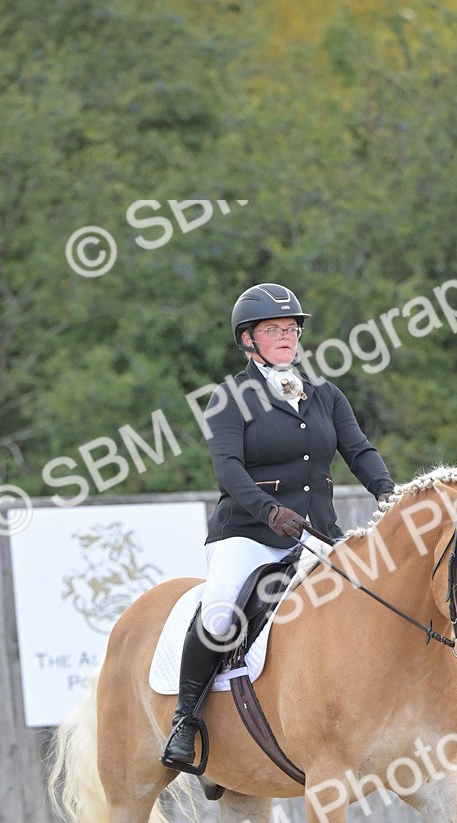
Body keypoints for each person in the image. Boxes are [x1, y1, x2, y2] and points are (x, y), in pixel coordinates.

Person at [161, 282, 395, 771]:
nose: (287, 336)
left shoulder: (325, 394)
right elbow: (227, 469)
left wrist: (389, 494)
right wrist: (269, 511)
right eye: (273, 329)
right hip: (249, 534)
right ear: (248, 339)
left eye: (291, 328)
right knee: (219, 613)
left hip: (317, 535)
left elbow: (359, 451)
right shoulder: (229, 398)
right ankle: (186, 720)